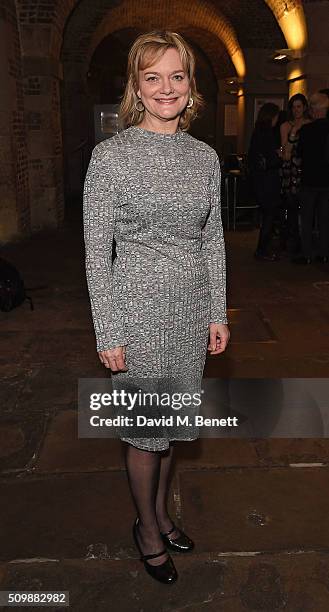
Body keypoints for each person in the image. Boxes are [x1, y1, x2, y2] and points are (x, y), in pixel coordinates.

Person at [83, 30, 230, 584]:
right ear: (136, 88)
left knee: (172, 427)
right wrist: (108, 329)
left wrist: (218, 311)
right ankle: (146, 528)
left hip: (190, 311)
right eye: (152, 77)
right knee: (146, 431)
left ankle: (163, 515)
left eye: (176, 75)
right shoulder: (111, 157)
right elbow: (97, 251)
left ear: (190, 84)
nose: (165, 88)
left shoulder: (204, 157)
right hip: (137, 312)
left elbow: (212, 239)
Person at [293, 92, 329, 264]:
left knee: (306, 219)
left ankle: (307, 253)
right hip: (327, 181)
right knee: (324, 219)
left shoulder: (306, 130)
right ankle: (323, 252)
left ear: (313, 111)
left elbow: (298, 154)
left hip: (309, 180)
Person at [248, 103, 282, 261]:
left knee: (267, 215)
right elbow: (271, 160)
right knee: (270, 215)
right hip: (268, 181)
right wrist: (279, 156)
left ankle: (262, 248)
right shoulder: (268, 134)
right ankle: (262, 249)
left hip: (259, 180)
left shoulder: (257, 133)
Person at [279, 94, 311, 254]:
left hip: (307, 170)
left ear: (305, 107)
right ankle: (293, 242)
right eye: (294, 107)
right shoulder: (286, 125)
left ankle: (306, 242)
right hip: (290, 171)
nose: (296, 110)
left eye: (299, 106)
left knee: (306, 208)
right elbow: (285, 152)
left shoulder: (310, 125)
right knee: (291, 206)